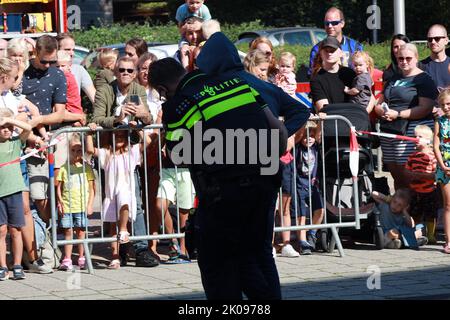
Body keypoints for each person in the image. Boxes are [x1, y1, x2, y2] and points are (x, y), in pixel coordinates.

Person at [195, 32, 310, 298]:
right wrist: (279, 137)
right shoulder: (261, 85)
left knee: (234, 251)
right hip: (266, 176)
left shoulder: (216, 88)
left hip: (232, 179)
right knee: (260, 250)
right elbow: (301, 111)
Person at [92, 56, 158, 268]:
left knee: (133, 201)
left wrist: (144, 115)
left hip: (131, 151)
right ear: (115, 70)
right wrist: (118, 119)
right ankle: (116, 252)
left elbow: (148, 119)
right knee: (112, 203)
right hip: (110, 151)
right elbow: (96, 119)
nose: (126, 74)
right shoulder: (106, 89)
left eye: (131, 70)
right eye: (122, 70)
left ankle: (138, 249)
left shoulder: (138, 90)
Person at [375, 43, 438, 190]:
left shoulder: (424, 79)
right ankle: (401, 209)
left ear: (416, 58)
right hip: (389, 129)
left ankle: (415, 209)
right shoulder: (393, 78)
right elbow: (379, 101)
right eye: (400, 58)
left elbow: (425, 107)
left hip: (411, 130)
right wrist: (381, 111)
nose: (404, 61)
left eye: (408, 58)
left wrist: (398, 114)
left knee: (410, 174)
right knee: (396, 175)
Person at [86, 126, 148, 269]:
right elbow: (90, 150)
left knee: (124, 199)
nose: (119, 138)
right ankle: (115, 256)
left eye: (122, 135)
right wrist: (90, 132)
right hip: (111, 195)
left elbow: (147, 142)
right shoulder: (106, 153)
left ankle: (124, 229)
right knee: (113, 226)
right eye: (116, 136)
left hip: (126, 191)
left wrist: (137, 128)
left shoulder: (131, 152)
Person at [22, 35, 67, 224]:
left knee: (57, 193)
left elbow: (60, 114)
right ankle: (48, 236)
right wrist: (31, 130)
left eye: (53, 61)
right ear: (36, 53)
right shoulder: (22, 72)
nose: (49, 65)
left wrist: (38, 119)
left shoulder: (58, 75)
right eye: (44, 61)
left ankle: (54, 238)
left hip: (54, 138)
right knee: (38, 196)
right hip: (29, 140)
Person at [0, 108, 31, 281]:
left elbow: (27, 128)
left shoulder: (15, 142)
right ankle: (3, 266)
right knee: (1, 231)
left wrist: (10, 121)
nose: (6, 130)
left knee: (16, 229)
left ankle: (17, 264)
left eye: (9, 127)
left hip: (14, 191)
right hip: (0, 194)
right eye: (3, 127)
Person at [56, 133, 95, 271]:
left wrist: (90, 204)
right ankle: (67, 258)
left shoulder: (87, 168)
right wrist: (60, 202)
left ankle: (81, 256)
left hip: (82, 205)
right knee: (68, 232)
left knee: (81, 232)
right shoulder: (64, 168)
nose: (76, 153)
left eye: (79, 150)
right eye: (73, 150)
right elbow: (59, 188)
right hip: (67, 205)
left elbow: (92, 188)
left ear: (83, 150)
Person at [292, 121, 324, 255]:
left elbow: (317, 133)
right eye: (306, 136)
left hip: (313, 185)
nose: (308, 138)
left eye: (310, 136)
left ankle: (312, 233)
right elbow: (299, 135)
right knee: (302, 214)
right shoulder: (298, 147)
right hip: (300, 185)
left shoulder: (315, 146)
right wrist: (302, 121)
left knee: (320, 210)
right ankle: (303, 241)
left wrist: (320, 121)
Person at [405, 125, 438, 244]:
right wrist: (410, 174)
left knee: (431, 213)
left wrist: (422, 176)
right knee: (415, 213)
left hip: (430, 190)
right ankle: (418, 233)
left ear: (428, 140)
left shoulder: (433, 156)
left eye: (420, 136)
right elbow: (406, 170)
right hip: (415, 190)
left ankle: (431, 234)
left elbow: (435, 174)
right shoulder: (412, 156)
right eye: (414, 136)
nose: (416, 138)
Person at [308, 7, 363, 77]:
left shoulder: (355, 47)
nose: (330, 26)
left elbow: (362, 72)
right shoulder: (317, 49)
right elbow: (312, 75)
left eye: (334, 23)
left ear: (342, 23)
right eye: (327, 23)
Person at [309, 36, 356, 111]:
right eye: (326, 51)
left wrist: (364, 112)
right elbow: (324, 109)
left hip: (353, 117)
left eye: (332, 50)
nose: (329, 53)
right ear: (321, 53)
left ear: (341, 53)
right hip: (332, 120)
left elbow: (368, 96)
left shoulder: (350, 73)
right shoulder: (316, 79)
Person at [56, 33, 96, 104]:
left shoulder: (79, 70)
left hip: (74, 113)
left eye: (73, 49)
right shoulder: (49, 70)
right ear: (56, 50)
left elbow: (94, 97)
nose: (72, 53)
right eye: (67, 49)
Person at [433, 88, 450, 254]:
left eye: (449, 104)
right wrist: (442, 165)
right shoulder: (440, 121)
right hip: (444, 165)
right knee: (448, 204)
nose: (446, 107)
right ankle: (448, 240)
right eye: (443, 104)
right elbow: (436, 144)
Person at [420, 24, 450, 91]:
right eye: (430, 39)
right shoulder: (419, 66)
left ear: (446, 40)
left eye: (437, 38)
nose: (433, 42)